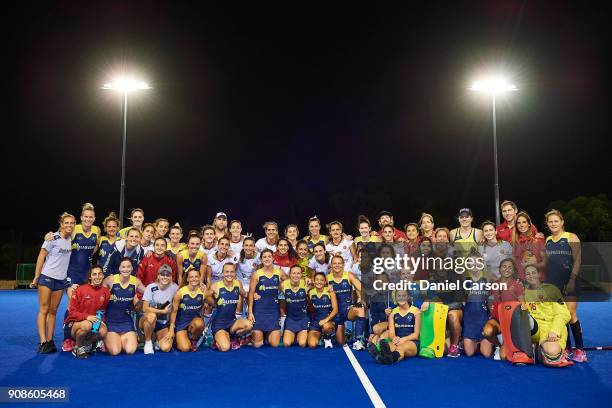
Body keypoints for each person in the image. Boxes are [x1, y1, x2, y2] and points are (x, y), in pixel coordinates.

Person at [545, 209, 586, 362]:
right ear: (547, 224)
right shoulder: (548, 240)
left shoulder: (571, 237)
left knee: (571, 315)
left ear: (562, 222)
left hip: (570, 282)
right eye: (550, 221)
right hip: (553, 284)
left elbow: (578, 260)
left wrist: (572, 280)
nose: (553, 224)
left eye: (556, 221)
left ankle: (580, 350)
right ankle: (567, 348)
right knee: (560, 316)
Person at [32, 212, 75, 353]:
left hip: (60, 280)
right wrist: (36, 276)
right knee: (44, 309)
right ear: (61, 224)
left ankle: (50, 341)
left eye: (72, 223)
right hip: (47, 277)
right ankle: (43, 342)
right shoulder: (52, 238)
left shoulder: (71, 238)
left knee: (53, 311)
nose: (69, 225)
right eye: (66, 223)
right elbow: (41, 257)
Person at [524, 264, 573, 367]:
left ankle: (540, 350)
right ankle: (535, 347)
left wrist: (554, 331)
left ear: (539, 274)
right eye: (528, 274)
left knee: (552, 351)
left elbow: (564, 314)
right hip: (535, 328)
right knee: (523, 317)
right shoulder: (523, 292)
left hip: (552, 326)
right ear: (525, 277)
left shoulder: (552, 290)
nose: (531, 275)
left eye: (533, 272)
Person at [64, 266, 111, 359]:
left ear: (103, 276)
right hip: (75, 324)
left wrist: (102, 321)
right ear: (90, 277)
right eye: (94, 274)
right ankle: (78, 347)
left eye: (100, 274)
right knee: (87, 325)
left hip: (94, 323)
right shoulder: (80, 290)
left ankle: (87, 344)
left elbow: (103, 310)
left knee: (103, 331)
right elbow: (72, 313)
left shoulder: (106, 292)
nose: (97, 277)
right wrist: (87, 317)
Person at [482, 258, 524, 360]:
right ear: (500, 269)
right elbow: (489, 301)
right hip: (497, 321)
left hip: (511, 323)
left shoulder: (517, 285)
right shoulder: (493, 284)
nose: (507, 269)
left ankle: (509, 342)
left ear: (513, 271)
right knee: (487, 332)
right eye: (504, 266)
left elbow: (523, 305)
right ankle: (499, 344)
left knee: (503, 356)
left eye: (510, 267)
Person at [102, 258, 145, 355]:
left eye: (128, 267)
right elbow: (98, 294)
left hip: (126, 322)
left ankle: (118, 339)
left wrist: (161, 288)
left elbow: (148, 293)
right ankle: (106, 339)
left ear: (132, 268)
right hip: (111, 322)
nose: (126, 269)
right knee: (115, 351)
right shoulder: (110, 280)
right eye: (123, 267)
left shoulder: (136, 282)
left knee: (130, 350)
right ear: (119, 268)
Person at [207, 263, 253, 351]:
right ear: (222, 273)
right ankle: (217, 340)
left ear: (235, 273)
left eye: (232, 272)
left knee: (249, 325)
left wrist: (253, 296)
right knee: (225, 348)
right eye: (227, 272)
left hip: (232, 322)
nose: (229, 274)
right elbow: (204, 297)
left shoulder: (237, 284)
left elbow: (245, 294)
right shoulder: (216, 286)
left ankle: (234, 337)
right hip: (219, 325)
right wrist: (214, 304)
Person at [369, 290, 421, 365]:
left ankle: (387, 359)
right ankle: (381, 357)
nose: (401, 298)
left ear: (408, 297)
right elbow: (392, 332)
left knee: (401, 348)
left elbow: (416, 335)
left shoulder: (416, 311)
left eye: (404, 296)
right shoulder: (393, 313)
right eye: (399, 296)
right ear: (395, 298)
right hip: (398, 340)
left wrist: (404, 339)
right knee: (389, 347)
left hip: (412, 342)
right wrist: (394, 338)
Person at [248, 249, 286, 347]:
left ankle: (266, 336)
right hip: (259, 310)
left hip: (273, 310)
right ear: (261, 259)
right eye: (264, 257)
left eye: (269, 256)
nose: (267, 259)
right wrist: (250, 312)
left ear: (273, 258)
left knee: (274, 344)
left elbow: (290, 283)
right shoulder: (256, 274)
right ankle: (252, 337)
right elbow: (251, 293)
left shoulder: (279, 272)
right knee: (258, 345)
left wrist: (281, 286)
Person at [327, 255, 366, 349]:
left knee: (360, 309)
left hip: (347, 310)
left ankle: (357, 341)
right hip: (335, 312)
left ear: (343, 264)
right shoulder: (327, 278)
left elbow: (362, 288)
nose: (337, 265)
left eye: (339, 263)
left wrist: (361, 299)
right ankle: (340, 333)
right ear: (331, 265)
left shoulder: (348, 275)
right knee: (341, 342)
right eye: (334, 263)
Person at [139, 267, 179, 354]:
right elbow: (144, 308)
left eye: (167, 275)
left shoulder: (175, 288)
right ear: (158, 276)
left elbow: (175, 309)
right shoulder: (151, 287)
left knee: (166, 348)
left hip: (162, 323)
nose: (165, 277)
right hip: (148, 320)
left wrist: (171, 329)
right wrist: (162, 311)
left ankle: (156, 340)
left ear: (171, 277)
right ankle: (148, 342)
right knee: (152, 316)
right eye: (162, 275)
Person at [462, 250, 493, 358]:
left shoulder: (488, 278)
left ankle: (492, 340)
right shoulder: (463, 279)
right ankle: (470, 341)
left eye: (477, 262)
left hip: (484, 319)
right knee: (469, 353)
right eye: (471, 262)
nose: (474, 264)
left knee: (486, 354)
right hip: (469, 321)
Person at [169, 269, 206, 352]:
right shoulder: (180, 293)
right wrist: (171, 328)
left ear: (200, 278)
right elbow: (174, 311)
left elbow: (204, 306)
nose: (194, 279)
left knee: (199, 324)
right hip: (181, 324)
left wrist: (202, 325)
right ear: (187, 279)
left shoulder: (203, 291)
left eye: (196, 276)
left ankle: (193, 339)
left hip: (193, 323)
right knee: (185, 348)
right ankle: (177, 338)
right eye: (191, 277)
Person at [512, 211, 547, 280]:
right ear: (516, 226)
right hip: (520, 280)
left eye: (524, 222)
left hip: (536, 281)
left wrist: (533, 265)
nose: (521, 225)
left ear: (529, 224)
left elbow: (545, 263)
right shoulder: (515, 242)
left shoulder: (538, 240)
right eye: (518, 223)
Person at [307, 272, 338, 348]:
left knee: (327, 326)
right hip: (316, 323)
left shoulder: (330, 292)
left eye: (321, 280)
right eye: (317, 280)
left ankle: (329, 337)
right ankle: (322, 337)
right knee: (312, 345)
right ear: (313, 281)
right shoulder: (310, 292)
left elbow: (335, 310)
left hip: (328, 322)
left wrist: (325, 320)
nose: (319, 282)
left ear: (325, 282)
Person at [281, 265, 309, 347]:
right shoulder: (283, 285)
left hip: (303, 318)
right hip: (291, 319)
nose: (296, 275)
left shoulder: (306, 283)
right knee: (286, 344)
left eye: (298, 273)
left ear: (301, 275)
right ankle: (294, 334)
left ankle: (300, 334)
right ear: (289, 274)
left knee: (302, 344)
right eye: (293, 273)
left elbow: (319, 285)